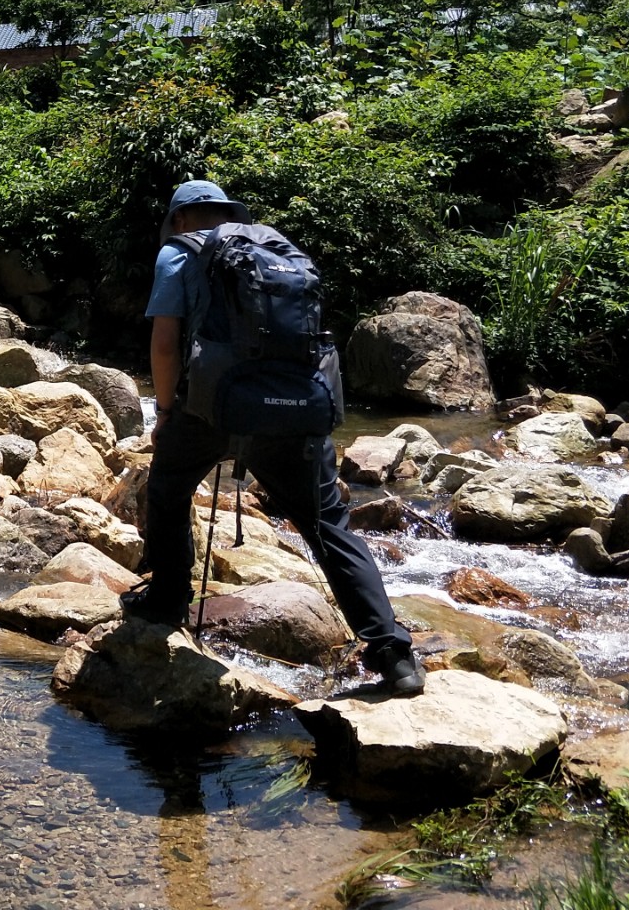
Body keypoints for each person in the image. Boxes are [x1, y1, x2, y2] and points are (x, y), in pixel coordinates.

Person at [127, 179, 425, 697]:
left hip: (210, 408)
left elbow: (166, 344)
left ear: (178, 219)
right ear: (227, 213)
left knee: (169, 492)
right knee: (329, 526)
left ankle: (167, 601)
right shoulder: (275, 248)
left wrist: (167, 411)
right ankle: (393, 655)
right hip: (294, 412)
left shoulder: (178, 254)